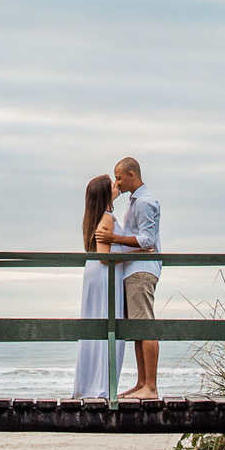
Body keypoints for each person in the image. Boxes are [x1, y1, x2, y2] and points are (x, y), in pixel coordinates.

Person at [108, 156, 161, 399]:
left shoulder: (144, 202)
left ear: (132, 174)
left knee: (145, 325)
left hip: (142, 270)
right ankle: (142, 383)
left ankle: (150, 386)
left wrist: (115, 240)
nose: (116, 182)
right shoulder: (135, 202)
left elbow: (147, 240)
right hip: (134, 269)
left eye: (119, 177)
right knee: (137, 328)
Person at [71, 174, 126, 399]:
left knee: (95, 325)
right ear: (105, 193)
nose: (117, 185)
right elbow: (106, 258)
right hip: (105, 274)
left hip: (95, 273)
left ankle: (91, 384)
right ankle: (100, 386)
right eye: (112, 184)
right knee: (109, 325)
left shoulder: (95, 217)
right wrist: (138, 255)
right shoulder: (107, 218)